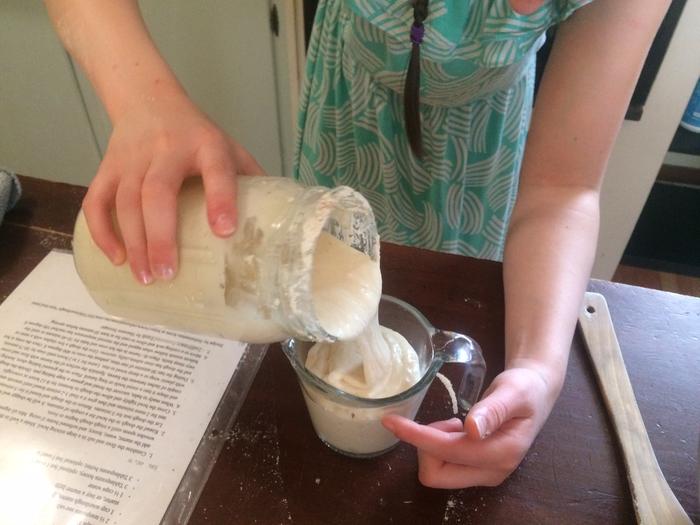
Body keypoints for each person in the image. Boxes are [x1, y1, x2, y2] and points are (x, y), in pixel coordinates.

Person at [45, 0, 669, 488]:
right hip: (350, 117)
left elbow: (562, 187)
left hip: (474, 161)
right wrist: (144, 102)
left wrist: (539, 369)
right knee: (311, 262)